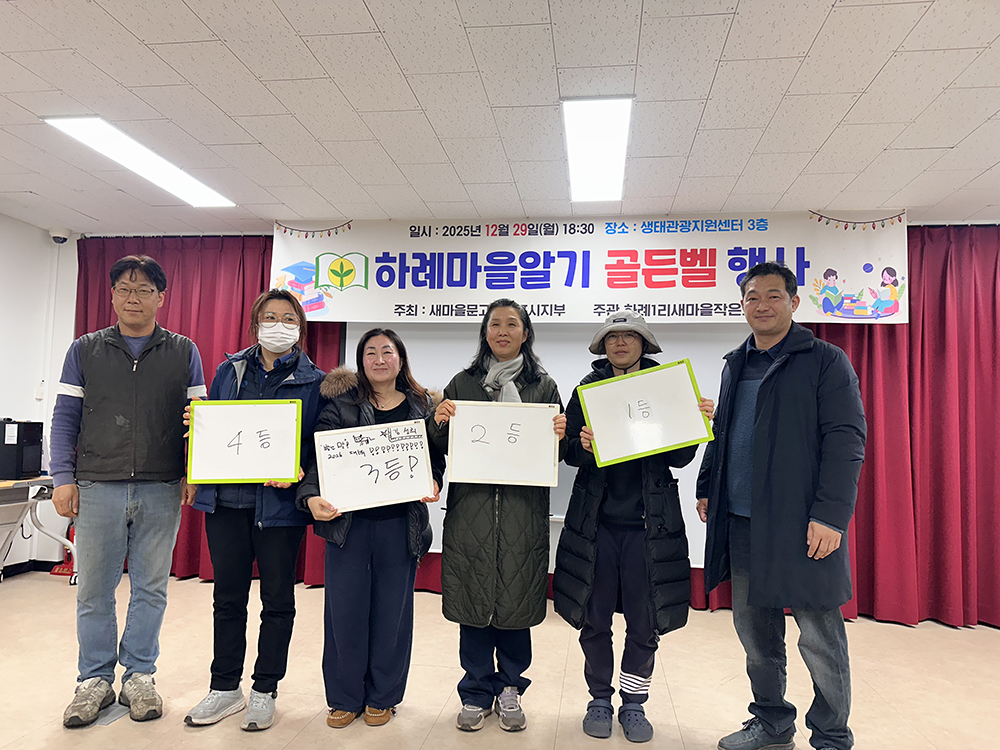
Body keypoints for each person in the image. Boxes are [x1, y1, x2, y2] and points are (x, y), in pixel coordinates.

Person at [696, 262, 866, 750]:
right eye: (753, 297)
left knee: (819, 636)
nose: (762, 305)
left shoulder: (825, 360)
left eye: (773, 296)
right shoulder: (735, 363)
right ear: (742, 304)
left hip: (802, 524)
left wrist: (830, 515)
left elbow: (846, 439)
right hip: (742, 522)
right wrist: (708, 485)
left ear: (793, 302)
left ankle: (831, 735)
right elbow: (723, 433)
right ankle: (772, 723)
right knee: (756, 635)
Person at [50, 255, 207, 727]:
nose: (132, 298)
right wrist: (62, 477)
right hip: (97, 485)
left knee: (151, 588)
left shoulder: (184, 351)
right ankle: (94, 680)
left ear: (161, 298)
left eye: (143, 290)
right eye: (123, 289)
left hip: (162, 486)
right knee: (94, 590)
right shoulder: (85, 349)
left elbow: (201, 420)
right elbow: (64, 418)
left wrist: (194, 472)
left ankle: (139, 674)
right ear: (113, 295)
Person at [553, 311, 714, 743]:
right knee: (595, 618)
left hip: (650, 526)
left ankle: (634, 702)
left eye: (629, 336)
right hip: (596, 525)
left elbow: (680, 458)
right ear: (602, 346)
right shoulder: (586, 390)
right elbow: (569, 454)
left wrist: (695, 423)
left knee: (645, 622)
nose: (620, 343)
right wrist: (582, 446)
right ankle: (599, 699)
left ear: (645, 344)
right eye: (612, 337)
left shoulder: (667, 387)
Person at [183, 289, 324, 731]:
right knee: (227, 599)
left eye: (288, 318)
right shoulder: (229, 370)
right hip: (225, 503)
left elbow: (320, 446)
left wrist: (300, 470)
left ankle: (265, 689)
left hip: (279, 508)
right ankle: (225, 687)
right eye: (270, 317)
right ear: (255, 324)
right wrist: (198, 425)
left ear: (300, 327)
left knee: (277, 601)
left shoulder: (316, 381)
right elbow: (215, 429)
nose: (279, 325)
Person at [428, 298, 567, 733]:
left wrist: (560, 435)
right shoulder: (462, 382)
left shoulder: (544, 387)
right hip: (471, 515)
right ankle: (474, 691)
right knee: (472, 607)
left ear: (526, 333)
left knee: (515, 607)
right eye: (494, 324)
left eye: (512, 324)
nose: (502, 331)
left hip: (522, 516)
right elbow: (438, 446)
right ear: (484, 333)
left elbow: (556, 455)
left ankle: (510, 688)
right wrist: (437, 419)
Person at [297, 328, 444, 729]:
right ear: (361, 362)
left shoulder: (422, 406)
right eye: (371, 353)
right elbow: (319, 458)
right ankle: (344, 697)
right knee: (344, 614)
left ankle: (383, 696)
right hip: (349, 527)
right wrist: (310, 498)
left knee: (392, 616)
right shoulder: (341, 405)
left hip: (400, 526)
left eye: (387, 352)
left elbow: (434, 459)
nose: (380, 359)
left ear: (401, 358)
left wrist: (433, 480)